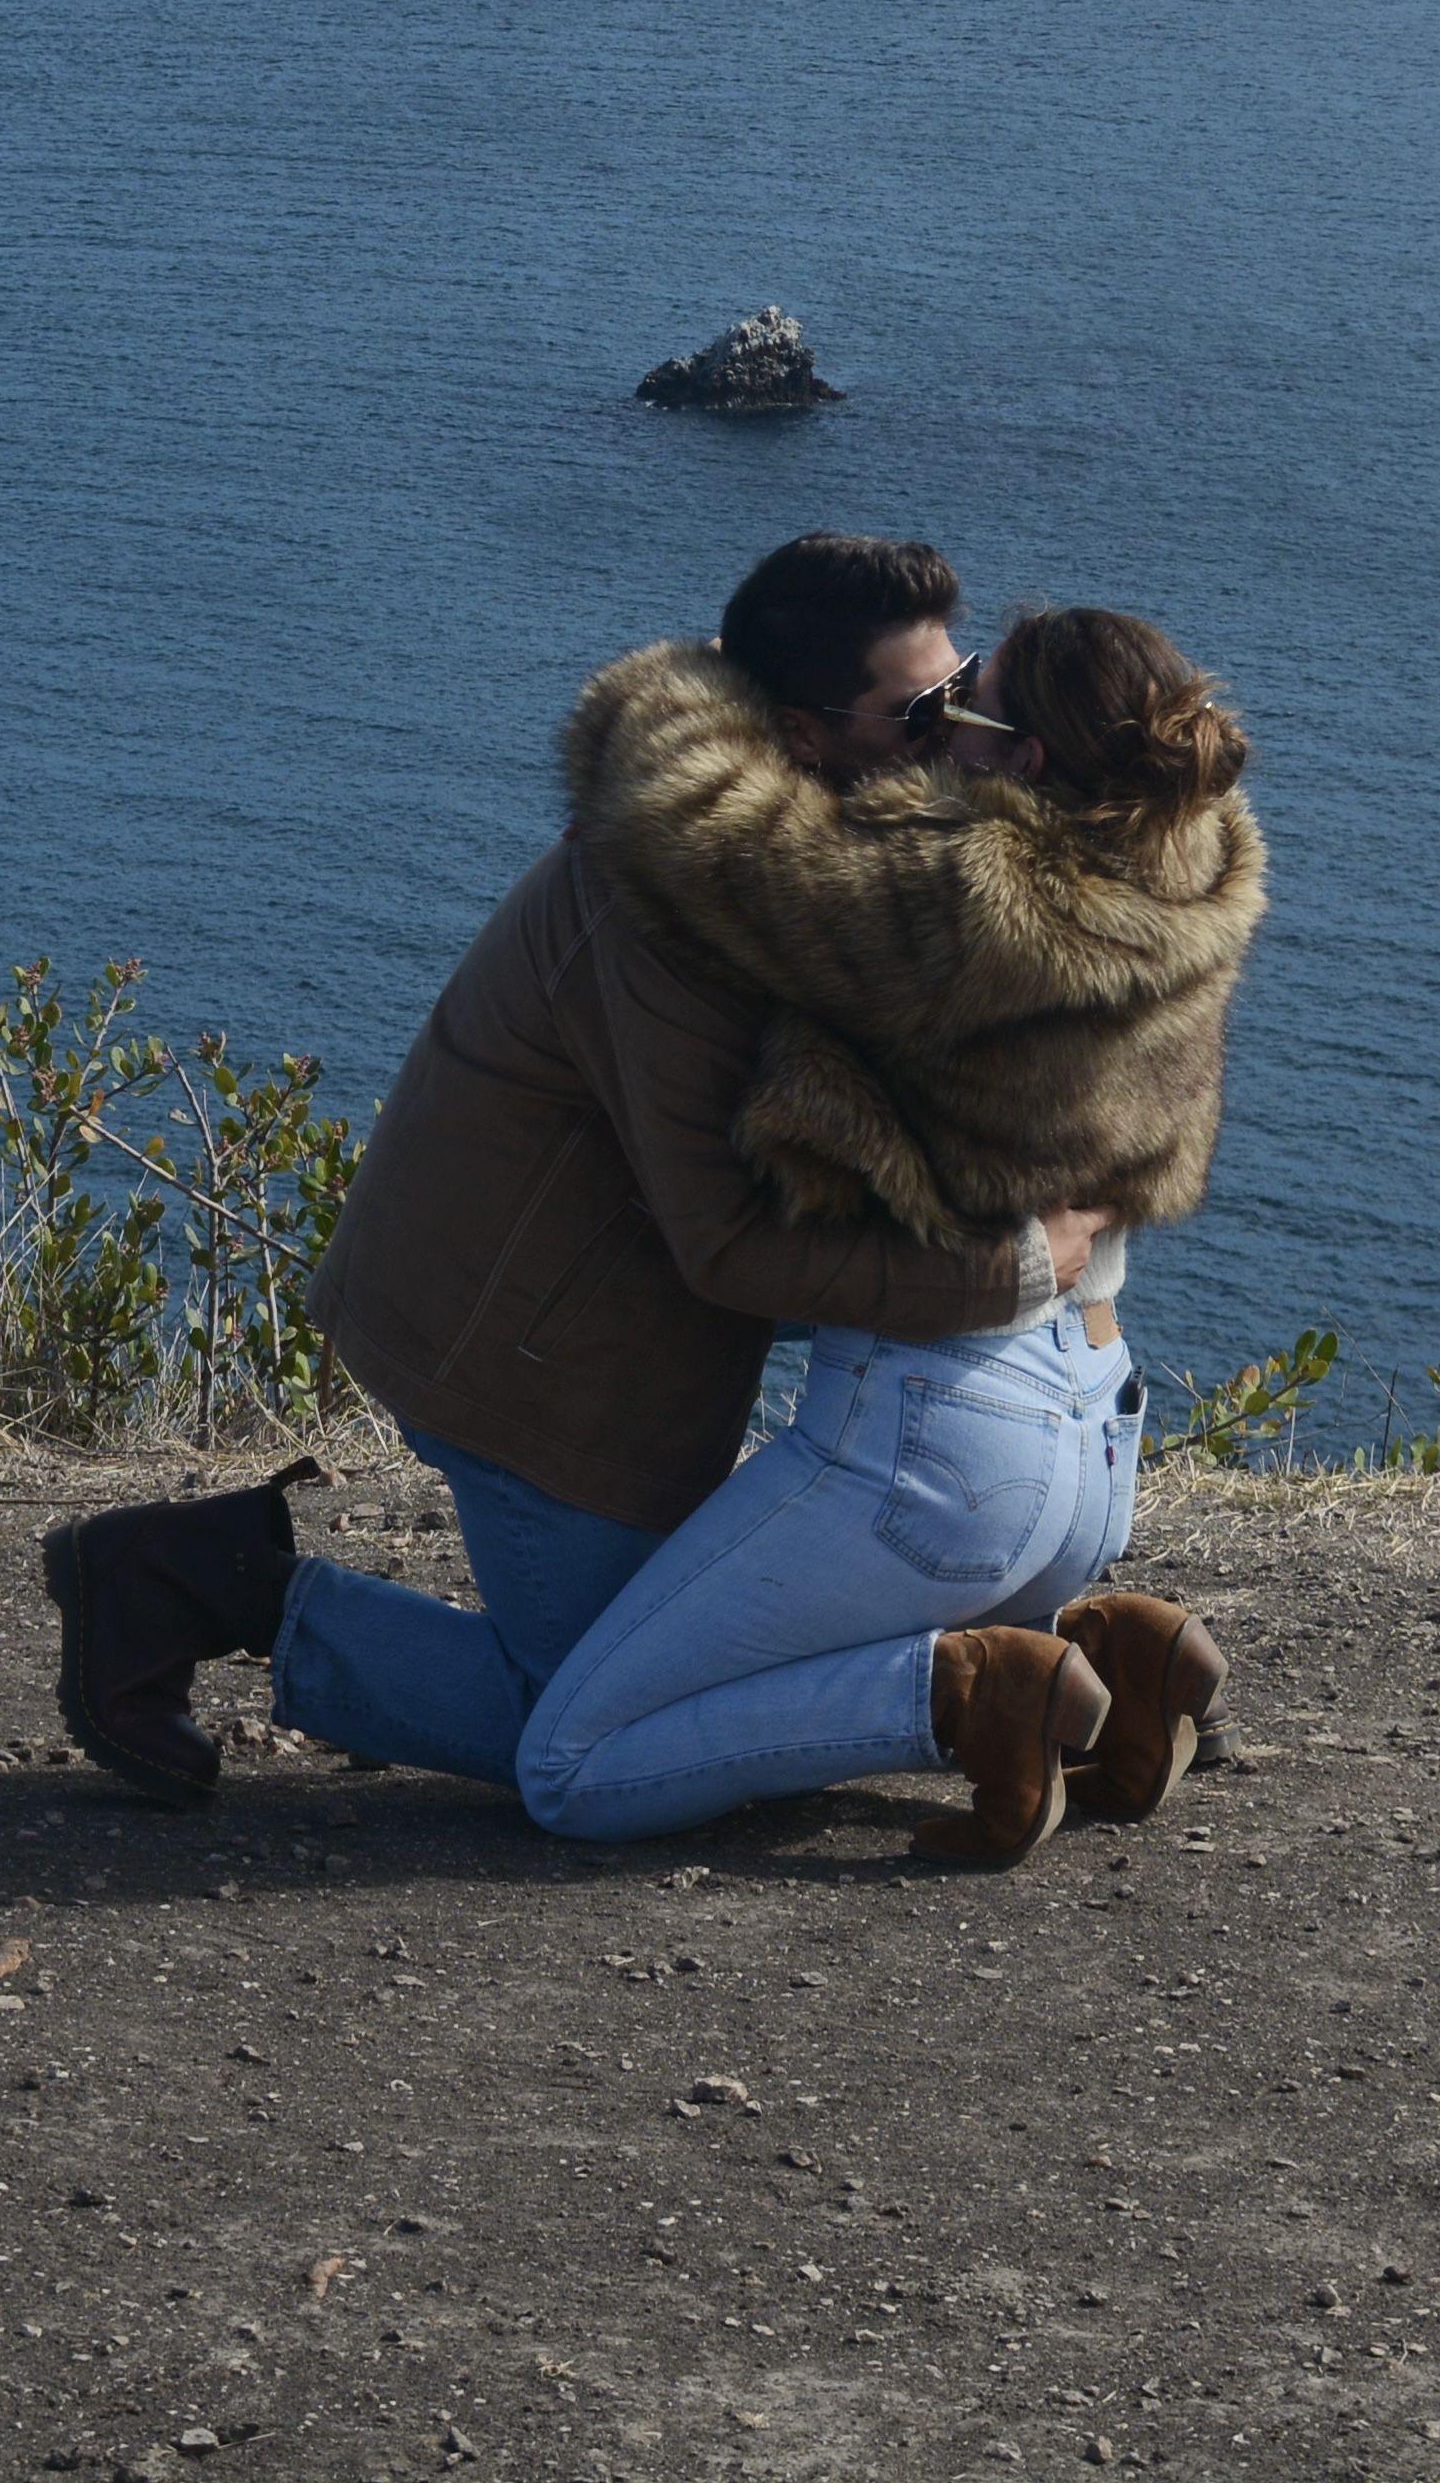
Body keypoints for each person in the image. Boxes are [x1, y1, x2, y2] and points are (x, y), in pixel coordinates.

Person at [43, 535, 1097, 1819]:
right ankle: (188, 1581)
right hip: (533, 1353)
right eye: (922, 710)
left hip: (628, 1330)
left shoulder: (824, 857)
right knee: (605, 1733)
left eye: (966, 682)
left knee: (702, 1698)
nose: (961, 730)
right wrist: (1011, 1266)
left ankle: (1025, 1680)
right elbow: (725, 1240)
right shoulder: (673, 904)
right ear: (802, 733)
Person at [505, 601, 1266, 1859]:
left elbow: (705, 832)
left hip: (944, 1447)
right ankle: (1114, 1665)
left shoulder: (955, 905)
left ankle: (978, 1693)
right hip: (1093, 1427)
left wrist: (690, 678)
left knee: (570, 1763)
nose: (932, 735)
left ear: (1023, 762)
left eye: (960, 712)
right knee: (738, 1700)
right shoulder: (1193, 857)